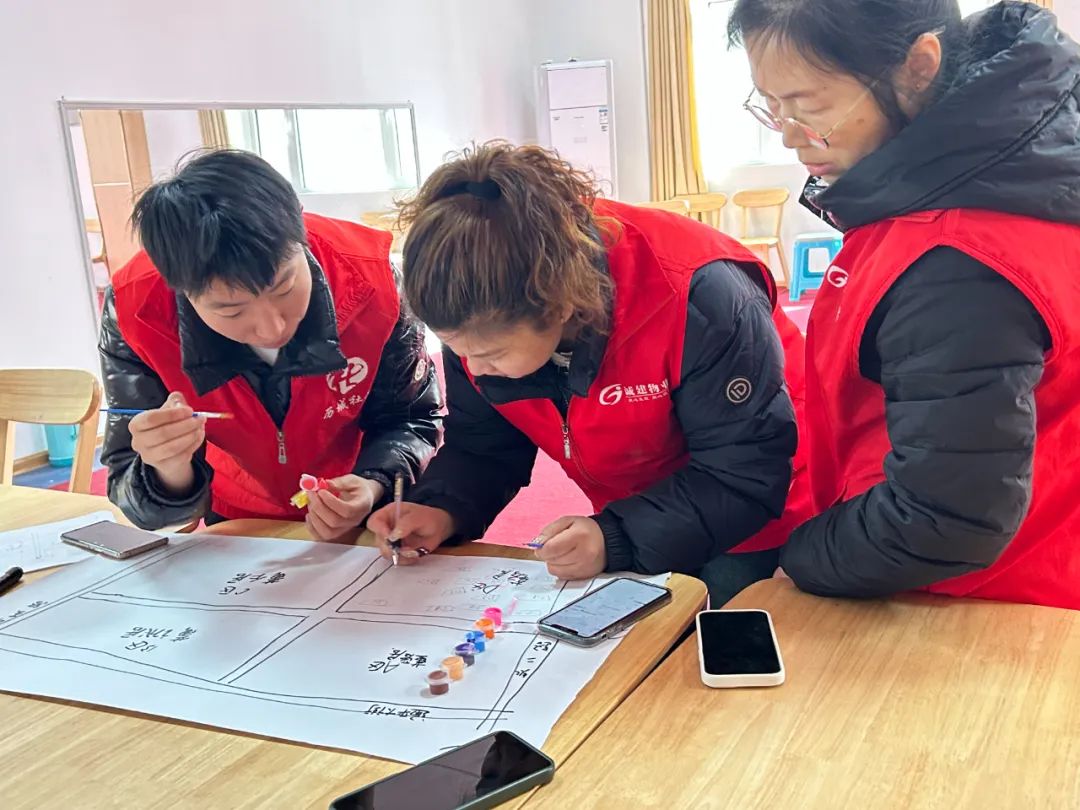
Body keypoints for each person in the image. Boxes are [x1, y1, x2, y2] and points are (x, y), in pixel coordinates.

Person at [728, 0, 1080, 608]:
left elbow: (946, 517)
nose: (788, 135)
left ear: (918, 67)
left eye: (810, 107)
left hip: (980, 600)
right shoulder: (999, 172)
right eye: (772, 105)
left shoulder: (958, 261)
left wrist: (804, 557)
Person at [367, 141, 810, 604]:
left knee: (708, 626)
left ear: (558, 306)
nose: (474, 368)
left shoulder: (698, 294)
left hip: (759, 498)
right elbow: (483, 445)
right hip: (642, 506)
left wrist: (616, 536)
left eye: (492, 354)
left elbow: (743, 471)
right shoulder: (474, 309)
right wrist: (442, 508)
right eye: (456, 350)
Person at [99, 149, 442, 538]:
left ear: (301, 236)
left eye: (285, 288)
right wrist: (168, 469)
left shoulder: (372, 283)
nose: (271, 327)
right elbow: (132, 490)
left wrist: (373, 482)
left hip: (358, 509)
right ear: (180, 289)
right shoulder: (136, 313)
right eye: (231, 311)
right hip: (238, 524)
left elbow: (413, 418)